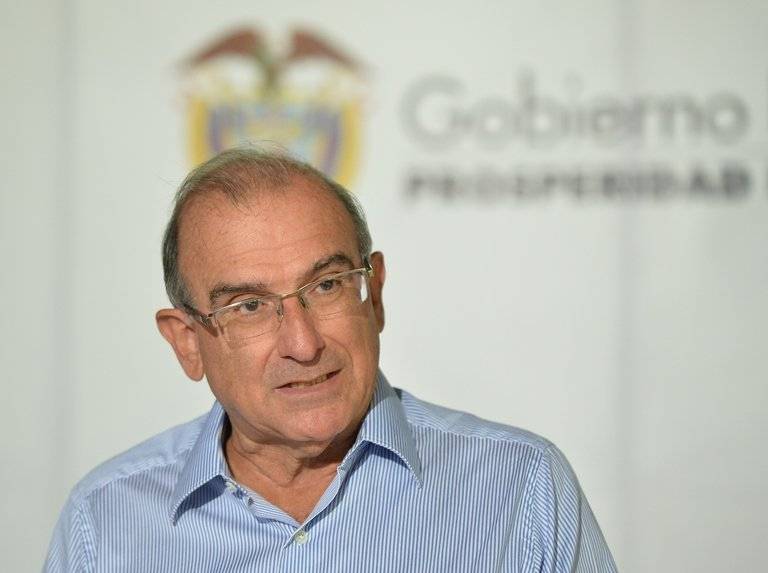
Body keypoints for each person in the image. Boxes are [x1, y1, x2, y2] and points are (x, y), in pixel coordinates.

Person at [44, 147, 618, 572]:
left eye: (327, 285)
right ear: (187, 342)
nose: (303, 343)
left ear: (376, 294)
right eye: (249, 306)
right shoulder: (107, 520)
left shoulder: (520, 486)